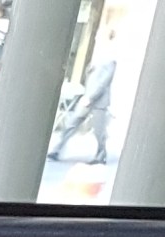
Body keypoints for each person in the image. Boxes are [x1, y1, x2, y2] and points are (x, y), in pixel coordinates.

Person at [51, 28, 119, 164]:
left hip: (98, 101)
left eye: (99, 35)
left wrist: (90, 97)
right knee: (72, 123)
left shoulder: (110, 56)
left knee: (99, 131)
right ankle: (56, 150)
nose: (96, 37)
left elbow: (103, 81)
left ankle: (101, 155)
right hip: (88, 97)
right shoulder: (99, 53)